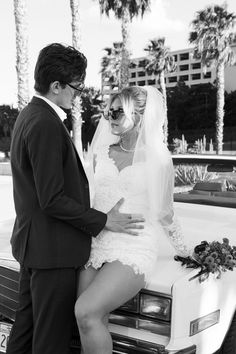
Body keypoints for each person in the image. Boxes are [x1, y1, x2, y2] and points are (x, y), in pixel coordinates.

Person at [7, 43, 144, 354]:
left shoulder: (29, 114)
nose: (78, 95)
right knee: (50, 341)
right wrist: (104, 220)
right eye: (76, 88)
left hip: (35, 246)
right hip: (53, 252)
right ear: (57, 86)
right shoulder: (44, 123)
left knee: (25, 332)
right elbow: (52, 198)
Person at [74, 85, 190, 354]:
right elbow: (95, 197)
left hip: (133, 245)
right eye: (108, 111)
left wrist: (185, 251)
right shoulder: (101, 153)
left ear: (139, 115)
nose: (109, 118)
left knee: (86, 310)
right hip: (97, 240)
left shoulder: (159, 159)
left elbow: (165, 212)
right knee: (90, 320)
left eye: (117, 112)